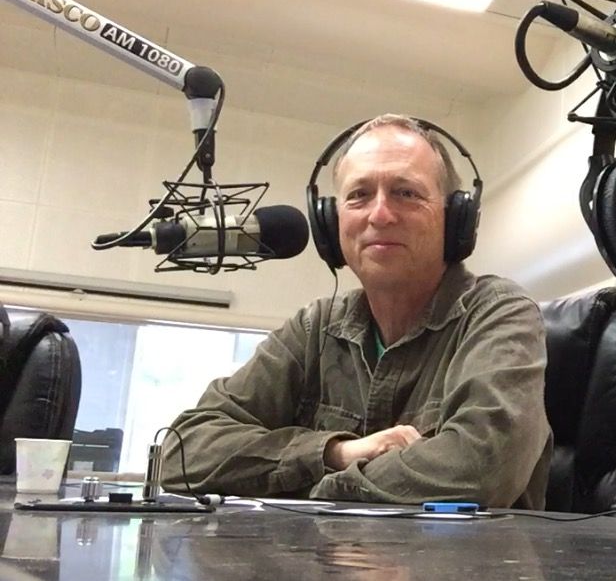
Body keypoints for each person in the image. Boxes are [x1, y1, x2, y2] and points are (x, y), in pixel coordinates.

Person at [161, 114, 552, 508]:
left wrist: (315, 490)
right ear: (330, 223)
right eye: (359, 195)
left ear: (454, 218)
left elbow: (481, 470)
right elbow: (181, 452)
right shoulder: (314, 328)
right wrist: (335, 453)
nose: (379, 215)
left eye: (406, 193)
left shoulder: (498, 313)